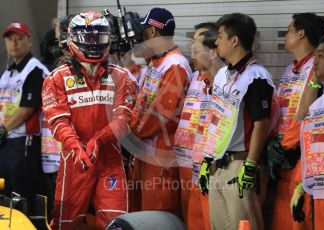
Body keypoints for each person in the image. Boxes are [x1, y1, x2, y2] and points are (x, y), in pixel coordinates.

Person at [42, 11, 132, 229]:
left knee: (116, 223)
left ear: (108, 39)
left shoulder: (122, 76)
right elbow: (58, 121)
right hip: (75, 161)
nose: (93, 44)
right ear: (73, 39)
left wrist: (98, 141)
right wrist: (75, 147)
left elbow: (124, 118)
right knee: (65, 224)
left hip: (110, 161)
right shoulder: (57, 78)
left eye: (98, 37)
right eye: (87, 38)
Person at [199, 13, 276, 230]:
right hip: (218, 165)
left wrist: (250, 165)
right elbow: (217, 120)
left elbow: (262, 123)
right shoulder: (223, 73)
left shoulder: (257, 76)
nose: (216, 42)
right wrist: (207, 159)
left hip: (239, 166)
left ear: (235, 40)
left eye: (220, 36)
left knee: (244, 226)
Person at [265, 13, 324, 230]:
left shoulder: (317, 68)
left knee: (296, 221)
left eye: (289, 30)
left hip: (299, 157)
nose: (286, 34)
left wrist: (285, 145)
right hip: (281, 158)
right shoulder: (289, 69)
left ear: (301, 33)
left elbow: (309, 113)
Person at [129, 7, 192, 217]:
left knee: (157, 214)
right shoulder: (157, 62)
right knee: (140, 212)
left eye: (144, 31)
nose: (141, 37)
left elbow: (160, 114)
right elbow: (141, 102)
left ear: (153, 32)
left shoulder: (175, 65)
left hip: (162, 155)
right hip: (146, 151)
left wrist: (130, 132)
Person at [290, 35, 324, 230]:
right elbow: (309, 149)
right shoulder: (315, 107)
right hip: (320, 197)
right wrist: (299, 186)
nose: (315, 61)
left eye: (320, 56)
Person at [175, 21, 222, 230]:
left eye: (197, 48)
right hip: (188, 159)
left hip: (210, 162)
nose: (192, 53)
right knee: (191, 216)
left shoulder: (224, 80)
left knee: (210, 218)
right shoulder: (195, 77)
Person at [0, 21, 49, 215]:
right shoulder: (7, 73)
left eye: (19, 39)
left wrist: (3, 130)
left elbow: (26, 110)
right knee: (4, 195)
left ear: (29, 41)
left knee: (20, 197)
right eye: (10, 39)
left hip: (24, 144)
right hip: (6, 142)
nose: (14, 43)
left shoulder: (35, 70)